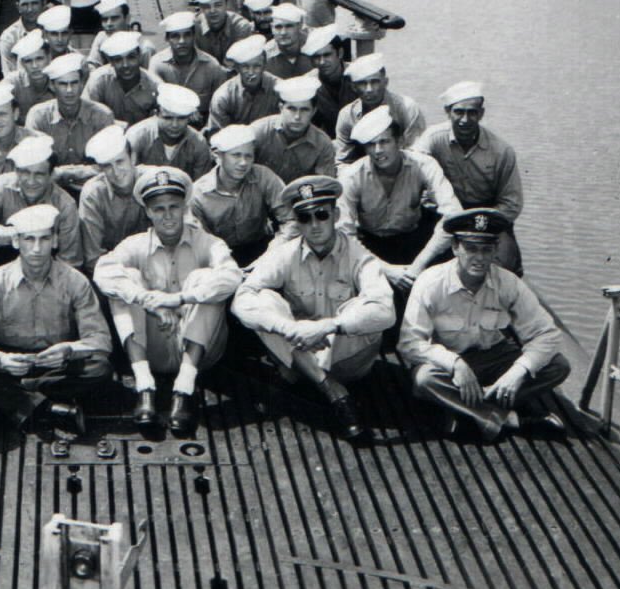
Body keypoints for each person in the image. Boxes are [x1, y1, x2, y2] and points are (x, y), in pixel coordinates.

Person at [232, 176, 394, 442]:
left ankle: (295, 374)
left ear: (336, 215)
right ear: (297, 222)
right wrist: (289, 327)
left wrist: (328, 327)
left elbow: (386, 310)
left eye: (321, 215)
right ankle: (332, 390)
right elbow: (242, 299)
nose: (315, 225)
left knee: (362, 307)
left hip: (344, 358)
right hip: (299, 341)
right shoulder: (285, 253)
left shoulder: (359, 255)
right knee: (264, 301)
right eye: (305, 218)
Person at [399, 209, 571, 442]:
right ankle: (511, 419)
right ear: (455, 247)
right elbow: (410, 343)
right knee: (424, 380)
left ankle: (465, 409)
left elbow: (547, 334)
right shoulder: (430, 283)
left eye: (486, 249)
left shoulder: (508, 283)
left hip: (495, 358)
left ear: (495, 250)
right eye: (471, 248)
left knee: (558, 365)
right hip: (451, 364)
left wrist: (516, 373)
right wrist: (455, 364)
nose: (479, 258)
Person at [95, 166, 243, 434]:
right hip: (152, 347)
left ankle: (184, 388)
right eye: (159, 209)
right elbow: (102, 272)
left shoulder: (207, 242)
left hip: (200, 348)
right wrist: (147, 300)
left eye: (174, 207)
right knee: (125, 280)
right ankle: (144, 386)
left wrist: (177, 299)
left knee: (207, 279)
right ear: (148, 212)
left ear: (185, 207)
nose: (167, 216)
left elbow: (232, 275)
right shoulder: (135, 244)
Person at [0, 204, 112, 436]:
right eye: (29, 239)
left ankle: (16, 399)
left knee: (100, 368)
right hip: (9, 362)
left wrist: (69, 350)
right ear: (16, 241)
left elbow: (101, 339)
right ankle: (47, 408)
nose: (37, 248)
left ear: (55, 240)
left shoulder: (75, 281)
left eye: (44, 239)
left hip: (54, 364)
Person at [337, 106, 462, 284]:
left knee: (455, 252)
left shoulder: (424, 165)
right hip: (372, 243)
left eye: (384, 142)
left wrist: (419, 265)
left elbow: (454, 214)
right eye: (371, 144)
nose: (378, 150)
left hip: (413, 240)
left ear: (400, 141)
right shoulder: (351, 176)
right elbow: (344, 234)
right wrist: (387, 271)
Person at [418, 82, 525, 274]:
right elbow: (412, 170)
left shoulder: (502, 151)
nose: (465, 120)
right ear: (447, 112)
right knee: (421, 259)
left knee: (506, 267)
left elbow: (511, 204)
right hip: (445, 213)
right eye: (458, 112)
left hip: (487, 217)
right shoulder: (432, 139)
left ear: (481, 113)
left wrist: (480, 223)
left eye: (472, 113)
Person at [0, 136, 84, 270]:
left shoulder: (65, 204)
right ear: (16, 171)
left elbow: (71, 260)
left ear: (51, 175)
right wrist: (15, 234)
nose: (31, 181)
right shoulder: (1, 185)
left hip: (46, 264)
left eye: (39, 174)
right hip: (5, 254)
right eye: (25, 173)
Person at [190, 123, 291, 265]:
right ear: (217, 155)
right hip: (219, 256)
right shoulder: (198, 194)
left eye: (248, 156)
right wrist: (225, 265)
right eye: (236, 155)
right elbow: (201, 241)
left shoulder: (264, 176)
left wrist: (273, 254)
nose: (243, 163)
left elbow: (290, 219)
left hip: (263, 248)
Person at [23, 53, 117, 190]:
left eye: (74, 83)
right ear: (52, 85)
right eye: (63, 84)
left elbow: (110, 164)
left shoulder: (102, 115)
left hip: (94, 187)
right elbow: (33, 164)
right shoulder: (38, 116)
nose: (69, 90)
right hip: (50, 188)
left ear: (82, 84)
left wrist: (64, 173)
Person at [77, 125, 150, 274]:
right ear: (100, 169)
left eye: (120, 162)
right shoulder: (94, 194)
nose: (116, 172)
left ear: (133, 158)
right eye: (107, 166)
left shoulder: (151, 180)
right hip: (112, 272)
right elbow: (93, 258)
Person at [333, 53, 427, 164]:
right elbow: (342, 160)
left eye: (374, 82)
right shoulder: (347, 115)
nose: (369, 89)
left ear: (385, 82)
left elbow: (417, 153)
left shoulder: (407, 108)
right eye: (362, 83)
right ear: (354, 87)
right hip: (364, 170)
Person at [250, 74, 337, 190]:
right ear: (281, 108)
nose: (297, 117)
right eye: (292, 109)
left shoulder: (323, 144)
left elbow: (324, 186)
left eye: (304, 110)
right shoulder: (259, 131)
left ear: (314, 111)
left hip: (299, 198)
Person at [149, 11, 231, 120]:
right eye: (175, 36)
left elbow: (221, 105)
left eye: (187, 35)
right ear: (167, 39)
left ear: (194, 36)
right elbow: (154, 104)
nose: (182, 41)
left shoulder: (211, 66)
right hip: (169, 123)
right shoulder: (157, 64)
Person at [127, 81, 214, 179]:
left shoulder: (198, 143)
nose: (174, 125)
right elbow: (128, 179)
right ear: (156, 114)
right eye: (168, 118)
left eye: (181, 118)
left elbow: (201, 184)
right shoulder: (136, 136)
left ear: (189, 118)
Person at [84, 29, 159, 126]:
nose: (125, 65)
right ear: (111, 62)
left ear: (139, 56)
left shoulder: (154, 85)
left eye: (131, 57)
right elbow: (87, 114)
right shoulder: (98, 80)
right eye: (118, 60)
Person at [207, 35, 281, 132]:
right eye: (245, 67)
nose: (251, 72)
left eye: (257, 66)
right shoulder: (223, 97)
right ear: (237, 68)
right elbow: (218, 134)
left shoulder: (279, 89)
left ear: (264, 65)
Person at [301, 24, 354, 136]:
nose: (322, 62)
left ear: (340, 53)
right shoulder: (307, 84)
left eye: (327, 55)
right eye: (317, 57)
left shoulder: (357, 75)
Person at [190, 0, 254, 65]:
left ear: (226, 4)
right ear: (201, 8)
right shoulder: (194, 27)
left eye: (218, 5)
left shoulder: (241, 27)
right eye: (207, 6)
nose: (212, 11)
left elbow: (239, 65)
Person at [86, 0, 154, 68]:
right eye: (104, 19)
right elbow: (93, 65)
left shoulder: (144, 47)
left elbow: (148, 73)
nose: (109, 24)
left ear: (127, 18)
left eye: (114, 18)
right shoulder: (102, 37)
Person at [0, 0, 51, 73]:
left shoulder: (52, 31)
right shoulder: (9, 37)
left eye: (34, 3)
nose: (30, 9)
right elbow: (9, 74)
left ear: (43, 4)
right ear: (18, 6)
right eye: (25, 4)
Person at [4, 29, 54, 119]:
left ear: (49, 58)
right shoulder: (13, 82)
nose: (34, 66)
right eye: (28, 61)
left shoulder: (59, 80)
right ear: (22, 63)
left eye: (39, 59)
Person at [262, 3, 311, 80]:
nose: (283, 32)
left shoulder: (314, 47)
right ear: (271, 28)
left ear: (299, 26)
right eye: (278, 27)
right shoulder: (265, 55)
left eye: (289, 26)